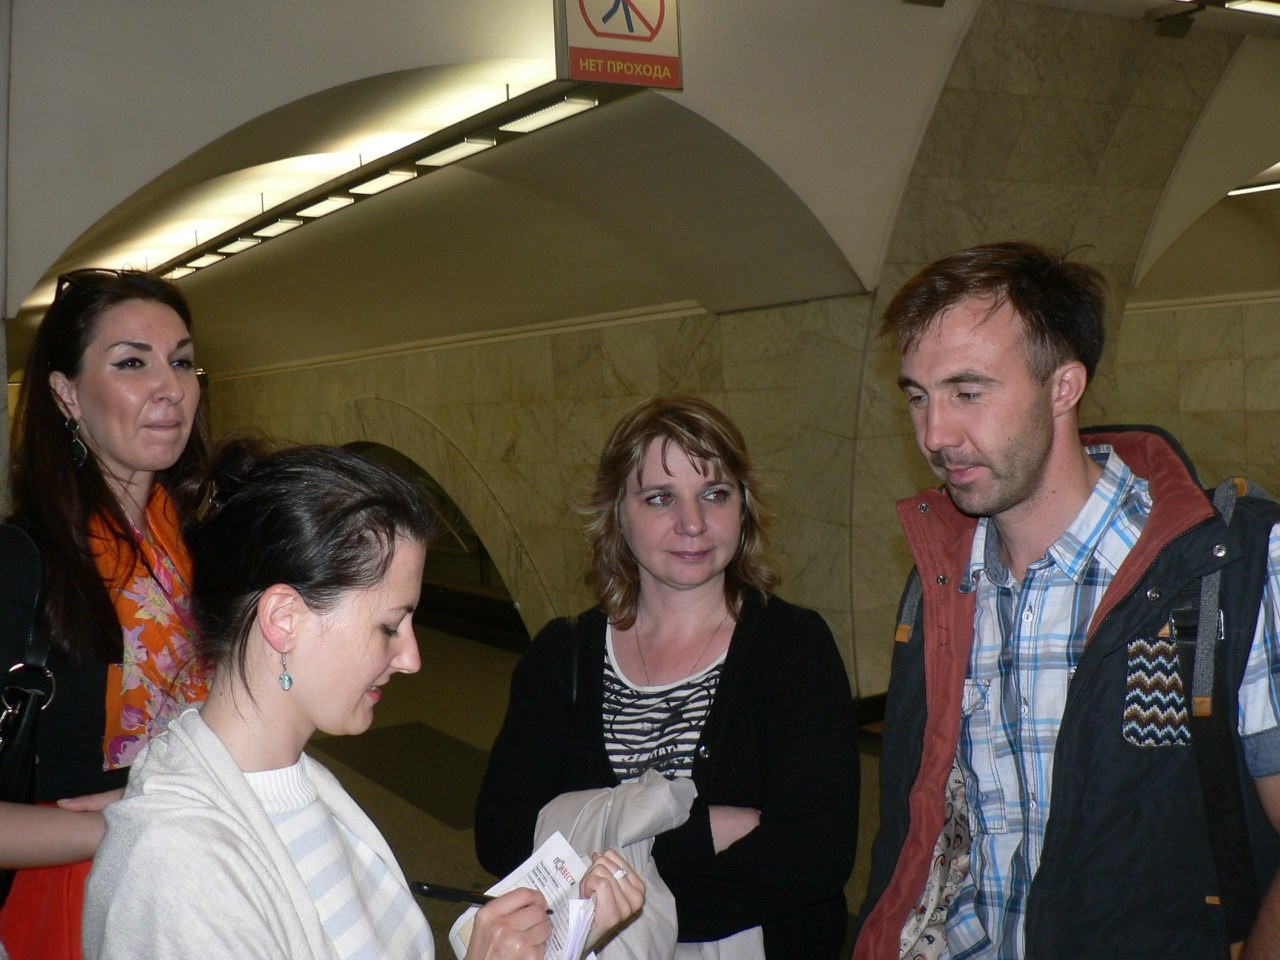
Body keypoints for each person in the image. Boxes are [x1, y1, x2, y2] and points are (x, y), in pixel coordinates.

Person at [855, 241, 1280, 960]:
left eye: (967, 392)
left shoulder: (1228, 568)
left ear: (1063, 388)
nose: (935, 435)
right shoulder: (940, 580)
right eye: (918, 396)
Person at [82, 441, 645, 959]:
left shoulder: (299, 786)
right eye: (389, 626)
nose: (411, 658)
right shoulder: (174, 872)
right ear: (284, 620)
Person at [476, 394, 860, 959]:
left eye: (715, 494)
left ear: (744, 506)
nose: (693, 523)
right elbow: (504, 835)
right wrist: (708, 830)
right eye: (660, 497)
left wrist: (628, 903)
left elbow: (814, 855)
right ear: (617, 513)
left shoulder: (793, 647)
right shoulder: (562, 657)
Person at [0, 269, 211, 960]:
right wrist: (126, 821)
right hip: (74, 900)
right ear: (67, 394)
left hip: (205, 882)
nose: (170, 387)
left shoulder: (207, 546)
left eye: (182, 361)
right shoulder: (22, 562)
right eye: (131, 363)